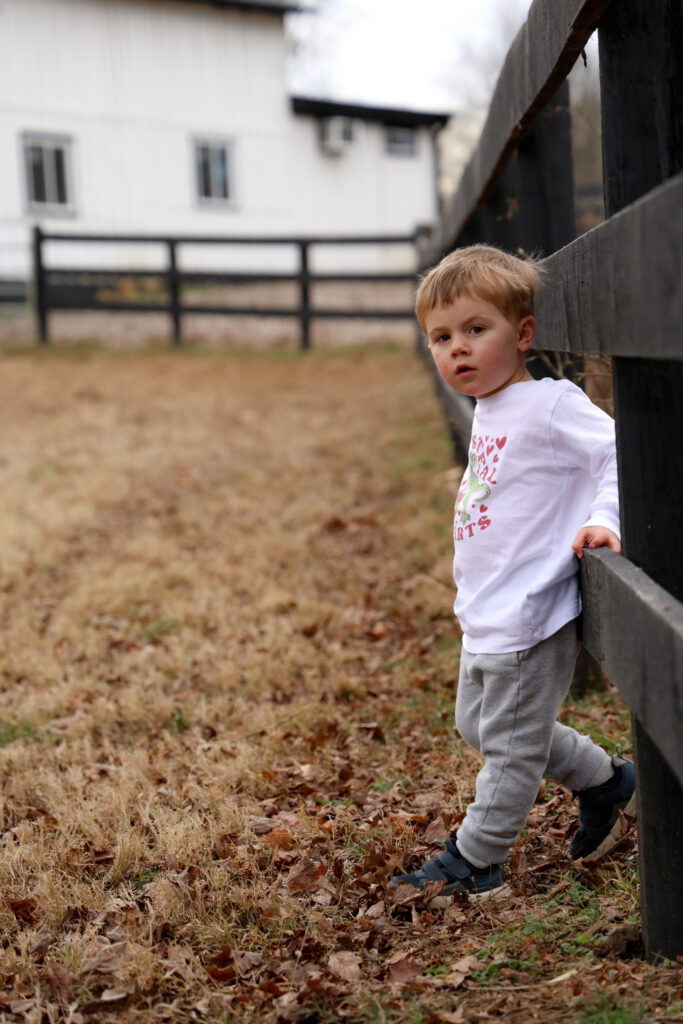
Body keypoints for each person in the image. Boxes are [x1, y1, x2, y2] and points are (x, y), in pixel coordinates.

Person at [390, 244, 636, 901]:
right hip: (486, 608)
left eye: (475, 329)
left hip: (529, 612)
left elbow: (618, 452)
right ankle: (607, 782)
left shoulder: (548, 404)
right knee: (478, 725)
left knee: (509, 749)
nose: (457, 350)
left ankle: (476, 861)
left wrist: (605, 518)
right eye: (440, 338)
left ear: (521, 333)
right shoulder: (490, 407)